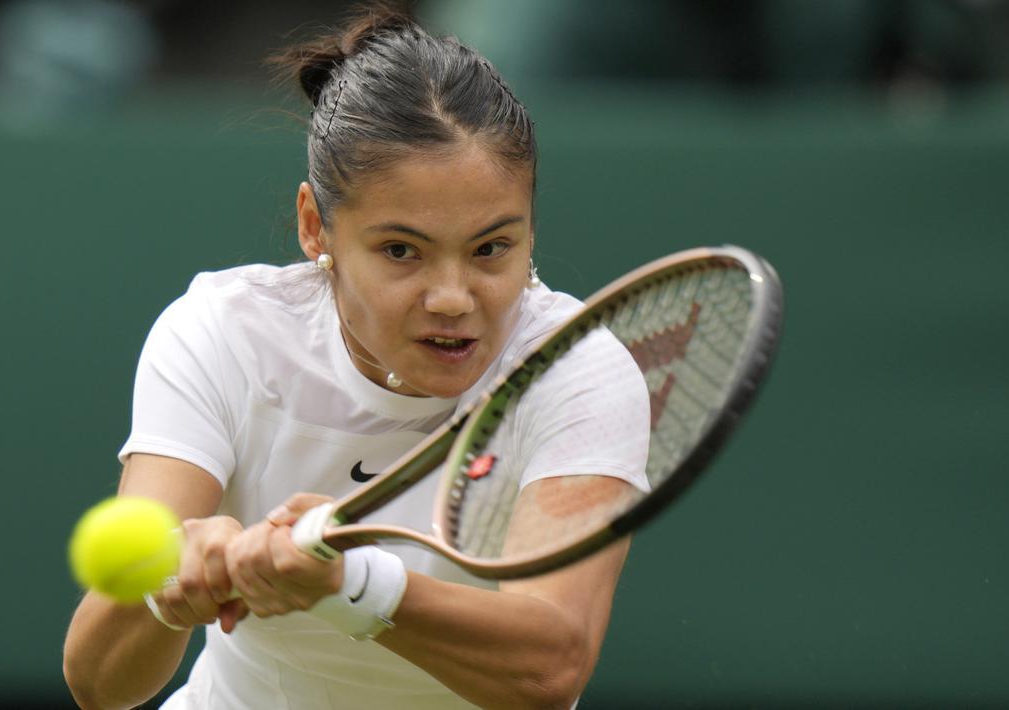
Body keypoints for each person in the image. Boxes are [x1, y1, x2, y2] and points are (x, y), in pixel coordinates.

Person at [62, 4, 650, 709]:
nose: (452, 298)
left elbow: (548, 671)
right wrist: (172, 589)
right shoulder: (224, 334)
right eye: (401, 251)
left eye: (491, 248)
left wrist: (351, 585)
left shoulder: (574, 366)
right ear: (317, 228)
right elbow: (98, 682)